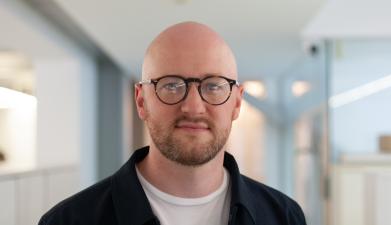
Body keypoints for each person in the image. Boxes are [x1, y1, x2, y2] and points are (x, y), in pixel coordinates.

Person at [39, 22, 306, 225]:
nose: (192, 107)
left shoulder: (284, 217)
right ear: (141, 101)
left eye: (213, 86)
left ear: (236, 103)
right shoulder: (69, 220)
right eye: (171, 85)